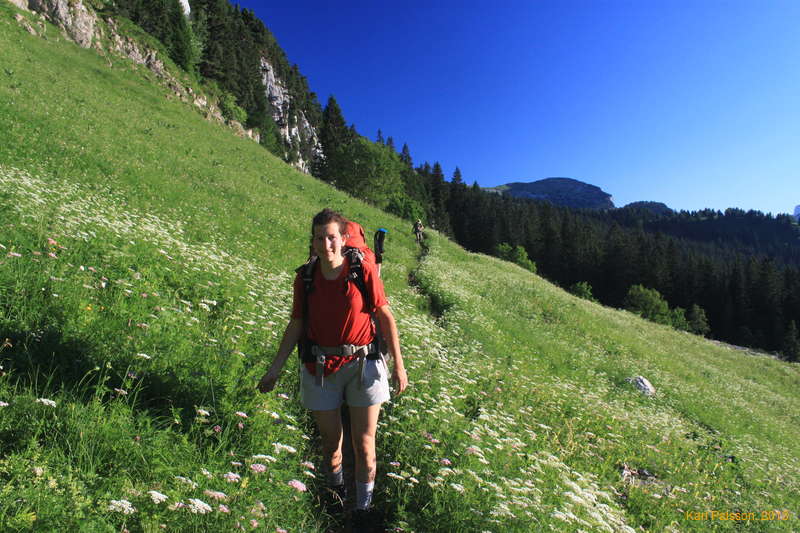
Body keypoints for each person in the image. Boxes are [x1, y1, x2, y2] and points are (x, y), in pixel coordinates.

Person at [257, 208, 408, 529]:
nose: (326, 244)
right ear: (312, 242)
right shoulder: (306, 278)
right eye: (319, 238)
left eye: (331, 237)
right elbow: (296, 323)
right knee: (330, 442)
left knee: (365, 444)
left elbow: (385, 318)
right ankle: (336, 494)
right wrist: (275, 368)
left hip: (364, 364)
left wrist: (399, 366)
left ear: (342, 240)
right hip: (319, 366)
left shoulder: (362, 271)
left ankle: (363, 509)